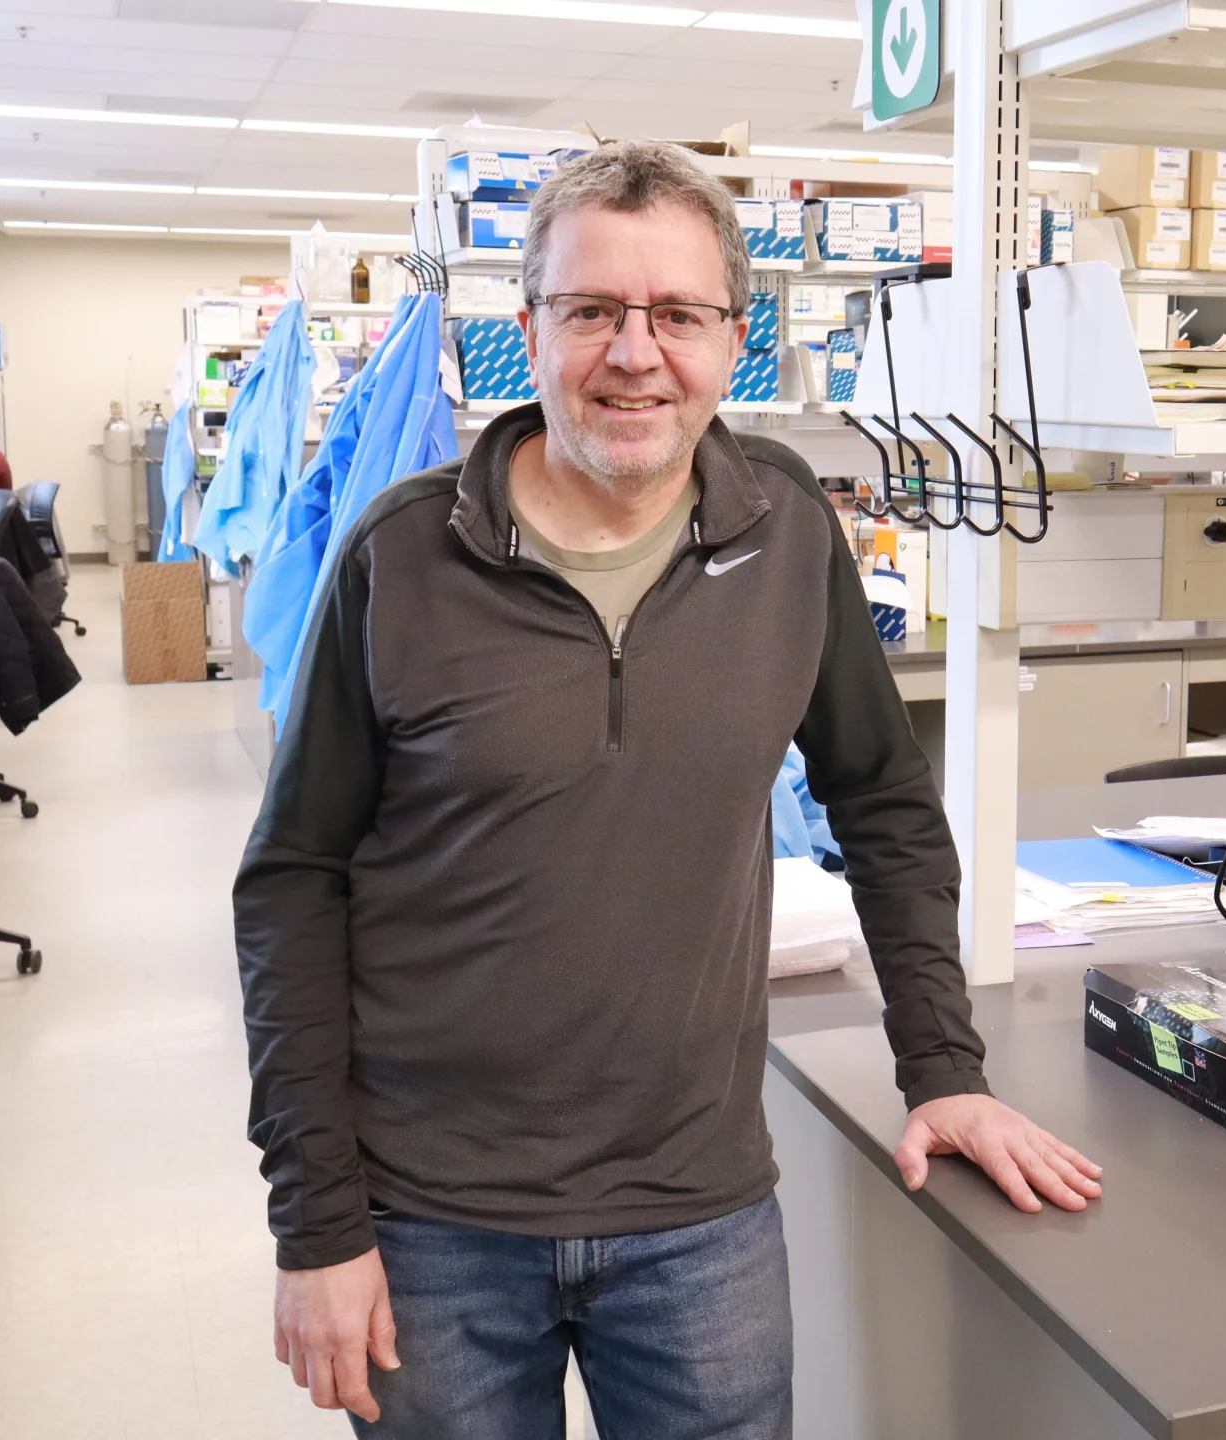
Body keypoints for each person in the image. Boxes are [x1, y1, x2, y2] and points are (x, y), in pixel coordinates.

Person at [235, 140, 1102, 1438]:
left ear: (733, 339)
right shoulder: (401, 557)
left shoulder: (786, 529)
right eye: (592, 310)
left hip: (700, 1211)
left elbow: (881, 800)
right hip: (430, 1217)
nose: (635, 354)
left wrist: (943, 1067)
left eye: (678, 315)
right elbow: (291, 887)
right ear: (528, 331)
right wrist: (315, 1224)